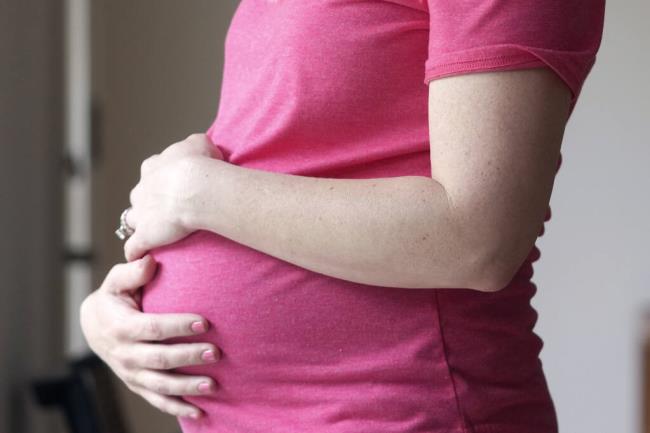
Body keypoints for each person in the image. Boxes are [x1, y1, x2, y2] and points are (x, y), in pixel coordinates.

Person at [80, 1, 606, 432]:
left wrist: (197, 192)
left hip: (404, 409)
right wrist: (123, 301)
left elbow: (478, 237)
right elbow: (283, 159)